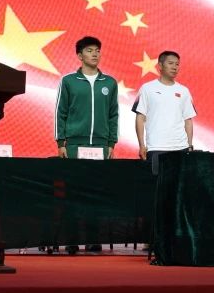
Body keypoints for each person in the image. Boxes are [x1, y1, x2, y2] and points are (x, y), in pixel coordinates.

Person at [53, 36, 119, 253]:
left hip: (100, 146)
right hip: (74, 145)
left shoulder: (109, 83)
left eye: (97, 50)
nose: (95, 54)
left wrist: (111, 143)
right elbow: (60, 113)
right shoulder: (68, 81)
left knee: (95, 193)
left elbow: (113, 115)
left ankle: (93, 239)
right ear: (79, 55)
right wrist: (61, 142)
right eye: (90, 50)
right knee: (73, 193)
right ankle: (71, 240)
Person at [134, 51, 197, 175]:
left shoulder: (184, 91)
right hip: (156, 147)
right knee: (156, 183)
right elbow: (140, 118)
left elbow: (188, 120)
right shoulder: (147, 88)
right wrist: (141, 145)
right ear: (160, 66)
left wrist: (189, 146)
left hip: (181, 148)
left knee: (179, 184)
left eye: (177, 64)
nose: (174, 67)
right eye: (170, 63)